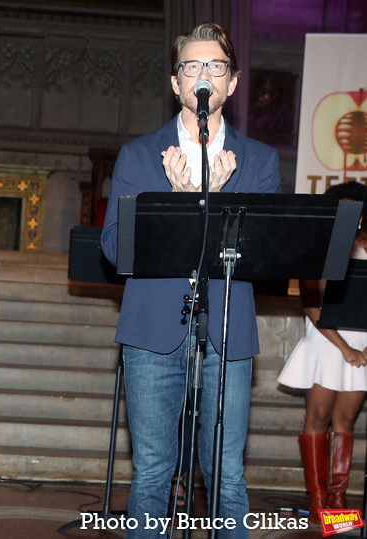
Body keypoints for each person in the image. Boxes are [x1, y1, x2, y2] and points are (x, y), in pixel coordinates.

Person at [100, 22, 281, 538]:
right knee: (154, 475)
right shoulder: (138, 155)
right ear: (176, 83)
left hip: (227, 333)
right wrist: (177, 204)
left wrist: (214, 201)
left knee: (226, 479)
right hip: (153, 331)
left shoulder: (261, 160)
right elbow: (116, 251)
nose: (204, 76)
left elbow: (263, 259)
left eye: (216, 66)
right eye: (192, 67)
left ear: (233, 83)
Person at [278, 181, 367, 524]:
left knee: (345, 421)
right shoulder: (314, 248)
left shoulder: (365, 247)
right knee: (317, 418)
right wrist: (344, 348)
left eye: (355, 209)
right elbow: (313, 308)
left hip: (361, 346)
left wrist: (362, 350)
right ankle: (318, 501)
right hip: (326, 342)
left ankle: (338, 500)